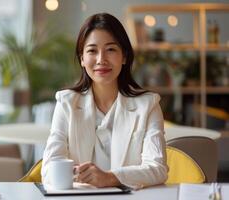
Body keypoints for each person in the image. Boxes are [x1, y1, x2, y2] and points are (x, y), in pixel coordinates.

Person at [41, 13, 168, 189]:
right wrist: (77, 174)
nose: (101, 59)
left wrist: (110, 178)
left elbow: (157, 168)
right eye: (92, 50)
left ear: (124, 56)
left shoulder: (148, 105)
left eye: (110, 49)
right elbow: (48, 168)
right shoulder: (66, 103)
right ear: (82, 60)